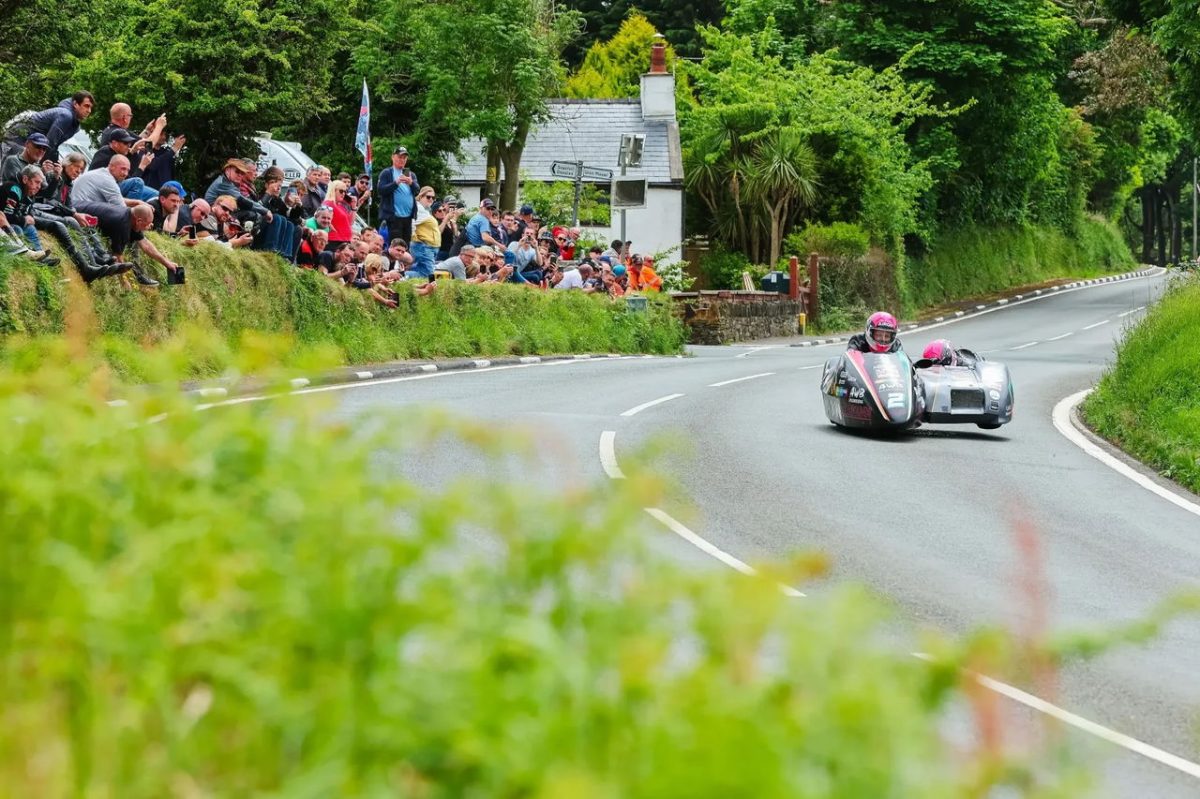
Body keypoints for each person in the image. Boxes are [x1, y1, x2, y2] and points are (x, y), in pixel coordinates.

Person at [2, 91, 95, 162]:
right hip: (16, 139)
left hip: (26, 144)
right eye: (86, 106)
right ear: (75, 104)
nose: (89, 111)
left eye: (91, 107)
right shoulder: (65, 115)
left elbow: (53, 147)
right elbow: (49, 144)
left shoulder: (75, 126)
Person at [377, 146, 417, 246]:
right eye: (400, 157)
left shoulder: (411, 174)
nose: (402, 160)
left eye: (404, 158)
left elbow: (417, 189)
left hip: (408, 217)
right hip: (394, 217)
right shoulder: (387, 173)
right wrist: (396, 183)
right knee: (395, 245)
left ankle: (403, 262)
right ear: (393, 157)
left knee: (405, 245)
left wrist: (411, 183)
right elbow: (381, 190)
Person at [407, 186, 440, 279]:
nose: (431, 199)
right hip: (423, 246)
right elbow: (411, 223)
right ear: (421, 196)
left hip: (429, 247)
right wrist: (414, 238)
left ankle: (406, 279)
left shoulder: (425, 210)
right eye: (428, 197)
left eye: (433, 198)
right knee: (427, 274)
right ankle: (402, 276)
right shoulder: (418, 208)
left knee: (421, 271)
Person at [322, 180, 354, 248]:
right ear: (333, 190)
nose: (343, 194)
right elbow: (322, 220)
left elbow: (350, 223)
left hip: (344, 240)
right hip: (334, 241)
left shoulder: (340, 206)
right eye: (341, 191)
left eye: (345, 192)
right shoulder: (328, 203)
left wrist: (353, 208)